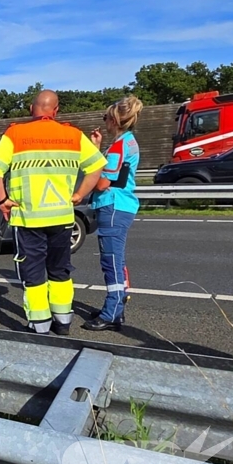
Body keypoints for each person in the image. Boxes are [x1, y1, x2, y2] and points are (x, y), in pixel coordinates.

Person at [0, 90, 106, 335]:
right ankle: (63, 322)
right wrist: (79, 194)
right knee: (60, 270)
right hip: (61, 218)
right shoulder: (73, 135)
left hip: (28, 219)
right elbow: (96, 168)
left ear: (32, 108)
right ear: (56, 110)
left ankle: (39, 325)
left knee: (33, 272)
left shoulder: (16, 134)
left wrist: (3, 200)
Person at [84, 95, 143, 331]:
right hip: (122, 205)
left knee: (111, 260)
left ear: (115, 120)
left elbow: (102, 183)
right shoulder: (129, 142)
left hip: (113, 206)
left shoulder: (118, 146)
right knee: (116, 259)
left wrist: (94, 155)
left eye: (105, 117)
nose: (104, 121)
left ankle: (112, 311)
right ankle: (115, 309)